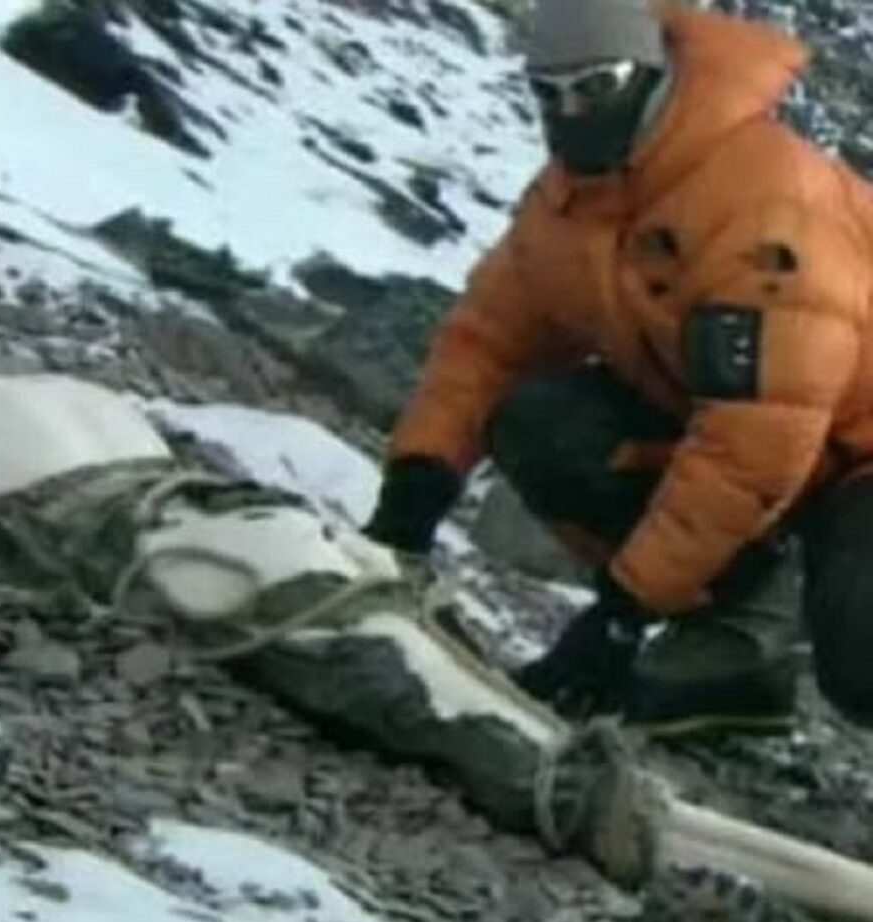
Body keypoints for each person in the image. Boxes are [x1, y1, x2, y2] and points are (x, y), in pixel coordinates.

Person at [362, 0, 873, 737]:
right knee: (542, 424)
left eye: (596, 86)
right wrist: (415, 489)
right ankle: (736, 654)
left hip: (853, 451)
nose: (570, 112)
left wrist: (621, 614)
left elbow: (758, 441)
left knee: (861, 651)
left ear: (652, 76)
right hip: (764, 431)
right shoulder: (569, 205)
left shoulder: (764, 209)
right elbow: (486, 347)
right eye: (549, 92)